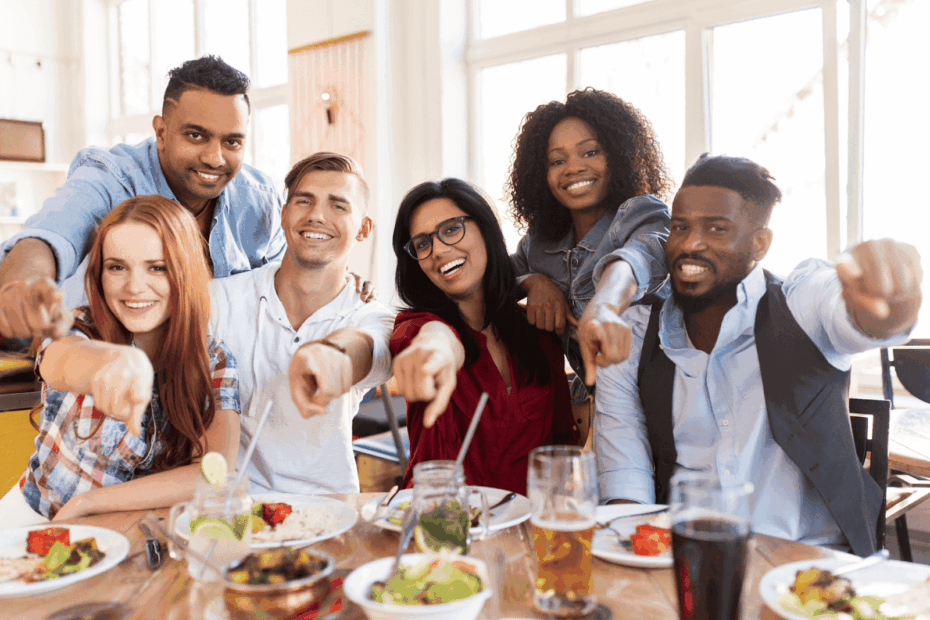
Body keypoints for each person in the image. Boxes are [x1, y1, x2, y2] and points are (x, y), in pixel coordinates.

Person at [594, 154, 923, 557]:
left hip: (812, 563)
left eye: (717, 228)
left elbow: (847, 315)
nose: (691, 244)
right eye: (681, 227)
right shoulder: (629, 332)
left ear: (759, 243)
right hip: (689, 562)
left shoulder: (797, 303)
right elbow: (625, 479)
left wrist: (884, 310)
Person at [0, 195, 240, 527]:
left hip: (125, 526)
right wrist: (112, 359)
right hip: (33, 519)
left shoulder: (213, 358)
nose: (135, 287)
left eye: (157, 267)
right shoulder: (75, 329)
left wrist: (89, 503)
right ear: (100, 274)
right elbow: (66, 361)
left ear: (186, 272)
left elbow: (215, 470)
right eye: (117, 267)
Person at [0, 55, 286, 317]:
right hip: (107, 356)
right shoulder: (112, 177)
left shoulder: (259, 199)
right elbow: (52, 234)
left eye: (232, 141)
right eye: (196, 136)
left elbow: (286, 289)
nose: (215, 158)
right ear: (161, 132)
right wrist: (22, 288)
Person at [210, 152, 393, 495]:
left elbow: (370, 347)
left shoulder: (373, 316)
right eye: (304, 201)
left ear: (363, 229)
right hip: (235, 513)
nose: (316, 215)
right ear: (284, 214)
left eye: (338, 205)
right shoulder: (218, 301)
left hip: (331, 516)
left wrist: (332, 354)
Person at [390, 178, 578, 496]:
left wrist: (531, 281)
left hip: (528, 532)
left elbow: (561, 446)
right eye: (422, 244)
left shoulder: (538, 334)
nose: (437, 250)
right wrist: (434, 349)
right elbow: (430, 339)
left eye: (451, 229)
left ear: (485, 229)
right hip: (443, 530)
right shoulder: (416, 325)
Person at [506, 88, 673, 397]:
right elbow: (491, 280)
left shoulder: (642, 214)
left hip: (669, 401)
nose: (573, 167)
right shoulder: (539, 242)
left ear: (618, 155)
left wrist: (605, 306)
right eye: (557, 160)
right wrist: (532, 281)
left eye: (590, 152)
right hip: (598, 399)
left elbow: (636, 260)